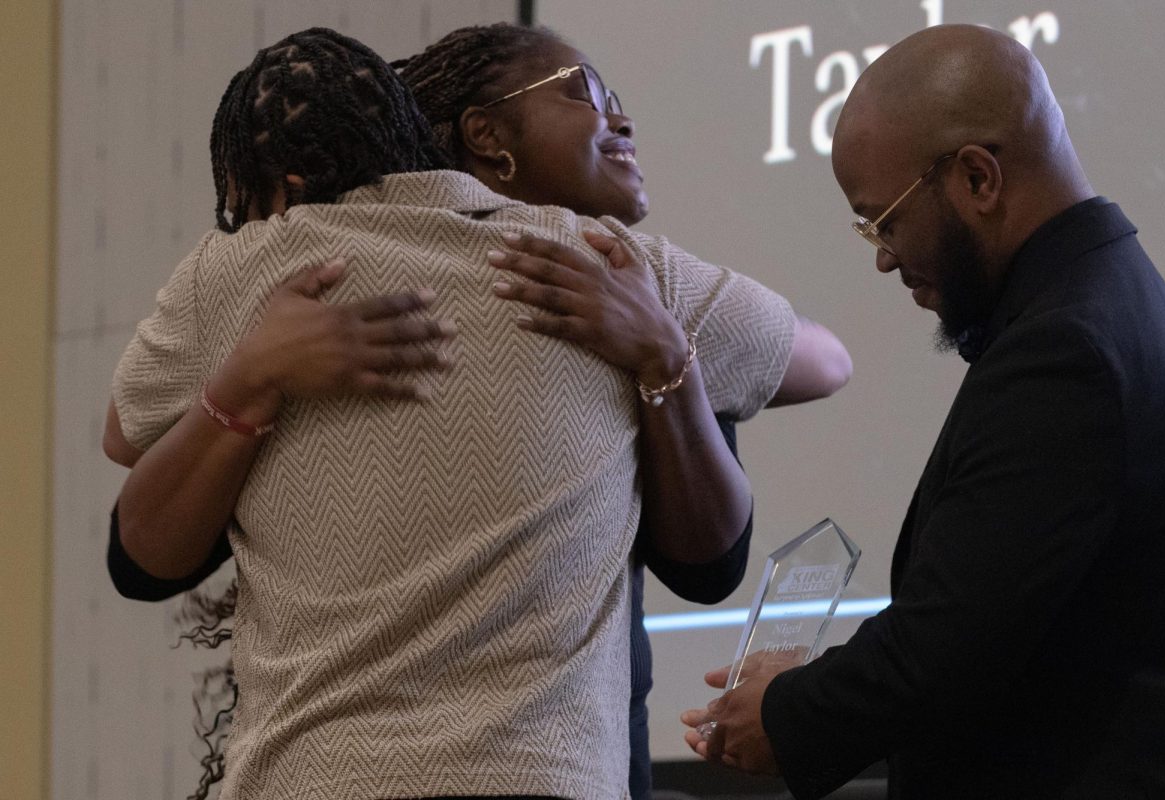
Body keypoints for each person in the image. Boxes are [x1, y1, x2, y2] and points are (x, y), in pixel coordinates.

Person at [106, 22, 853, 800]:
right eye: (588, 95)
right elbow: (828, 361)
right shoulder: (619, 270)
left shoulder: (262, 266)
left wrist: (246, 378)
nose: (622, 120)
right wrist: (667, 344)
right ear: (485, 136)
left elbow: (126, 433)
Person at [682, 23, 1165, 800]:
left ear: (978, 178)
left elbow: (948, 645)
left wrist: (788, 712)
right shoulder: (1115, 298)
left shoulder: (1065, 350)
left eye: (883, 219)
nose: (884, 255)